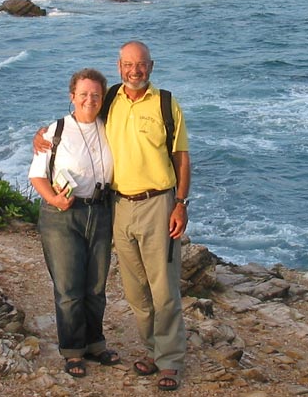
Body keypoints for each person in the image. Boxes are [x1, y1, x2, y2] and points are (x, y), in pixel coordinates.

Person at [34, 41, 191, 391]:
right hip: (117, 206)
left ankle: (170, 361)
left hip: (158, 204)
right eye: (128, 65)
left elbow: (181, 157)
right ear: (119, 67)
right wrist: (40, 135)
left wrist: (181, 203)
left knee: (163, 288)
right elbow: (78, 119)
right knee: (136, 290)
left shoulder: (166, 103)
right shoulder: (112, 100)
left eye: (142, 64)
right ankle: (153, 351)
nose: (135, 70)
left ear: (151, 66)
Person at [28, 68, 120, 378]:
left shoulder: (110, 127)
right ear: (72, 97)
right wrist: (54, 200)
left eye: (96, 95)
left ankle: (95, 344)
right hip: (61, 215)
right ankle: (72, 350)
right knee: (68, 288)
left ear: (103, 98)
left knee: (96, 286)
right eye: (83, 94)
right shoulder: (55, 131)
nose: (90, 100)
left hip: (101, 211)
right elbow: (37, 175)